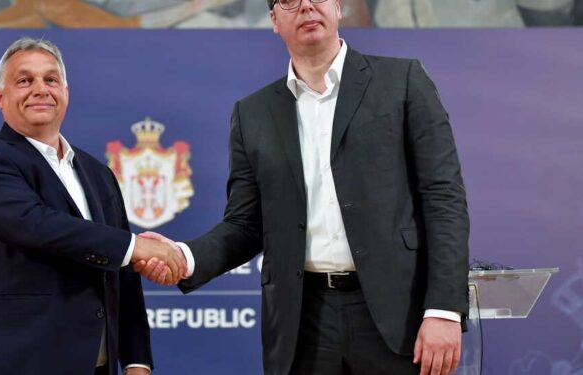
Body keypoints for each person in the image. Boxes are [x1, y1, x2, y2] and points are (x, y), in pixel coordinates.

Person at [137, 0, 469, 374]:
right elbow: (246, 224)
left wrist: (443, 309)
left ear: (338, 8)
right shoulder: (253, 114)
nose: (307, 6)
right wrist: (185, 257)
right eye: (291, 1)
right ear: (274, 20)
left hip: (398, 314)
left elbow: (444, 199)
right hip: (302, 323)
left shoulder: (402, 81)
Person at [0, 37, 185, 375]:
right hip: (11, 364)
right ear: (0, 98)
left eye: (51, 79)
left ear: (66, 92)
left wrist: (137, 361)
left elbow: (122, 273)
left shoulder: (98, 173)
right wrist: (138, 247)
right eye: (24, 80)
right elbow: (37, 226)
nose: (40, 89)